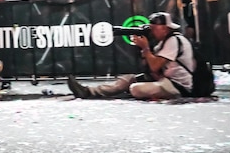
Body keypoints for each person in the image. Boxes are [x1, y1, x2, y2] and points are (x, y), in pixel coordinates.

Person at [67, 12, 196, 101]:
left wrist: (145, 48)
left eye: (155, 28)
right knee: (128, 80)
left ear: (166, 29)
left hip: (178, 86)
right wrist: (143, 49)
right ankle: (89, 91)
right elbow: (150, 69)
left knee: (135, 88)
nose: (152, 31)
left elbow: (155, 66)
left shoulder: (174, 40)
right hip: (164, 79)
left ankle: (132, 92)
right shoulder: (162, 43)